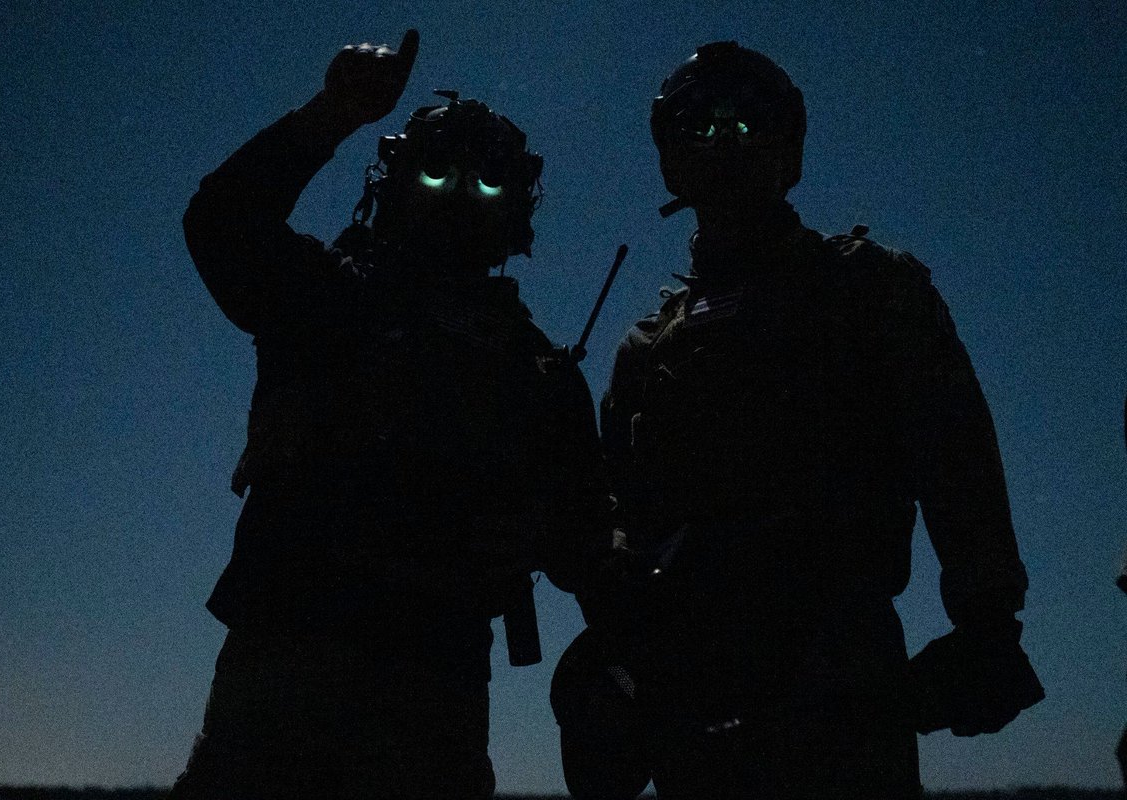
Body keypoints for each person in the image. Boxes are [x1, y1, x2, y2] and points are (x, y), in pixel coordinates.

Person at [555, 40, 1043, 799]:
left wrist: (988, 623)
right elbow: (621, 512)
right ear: (667, 154)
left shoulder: (869, 291)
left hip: (836, 676)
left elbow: (957, 460)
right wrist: (614, 651)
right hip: (689, 686)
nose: (722, 140)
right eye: (695, 123)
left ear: (790, 148)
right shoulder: (648, 350)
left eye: (747, 121)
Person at [169, 30, 609, 800]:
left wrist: (537, 531)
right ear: (396, 181)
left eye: (486, 182)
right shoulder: (324, 298)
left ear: (516, 209)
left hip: (431, 687)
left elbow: (585, 544)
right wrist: (333, 114)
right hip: (284, 666)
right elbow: (221, 223)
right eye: (438, 173)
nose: (458, 195)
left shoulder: (537, 375)